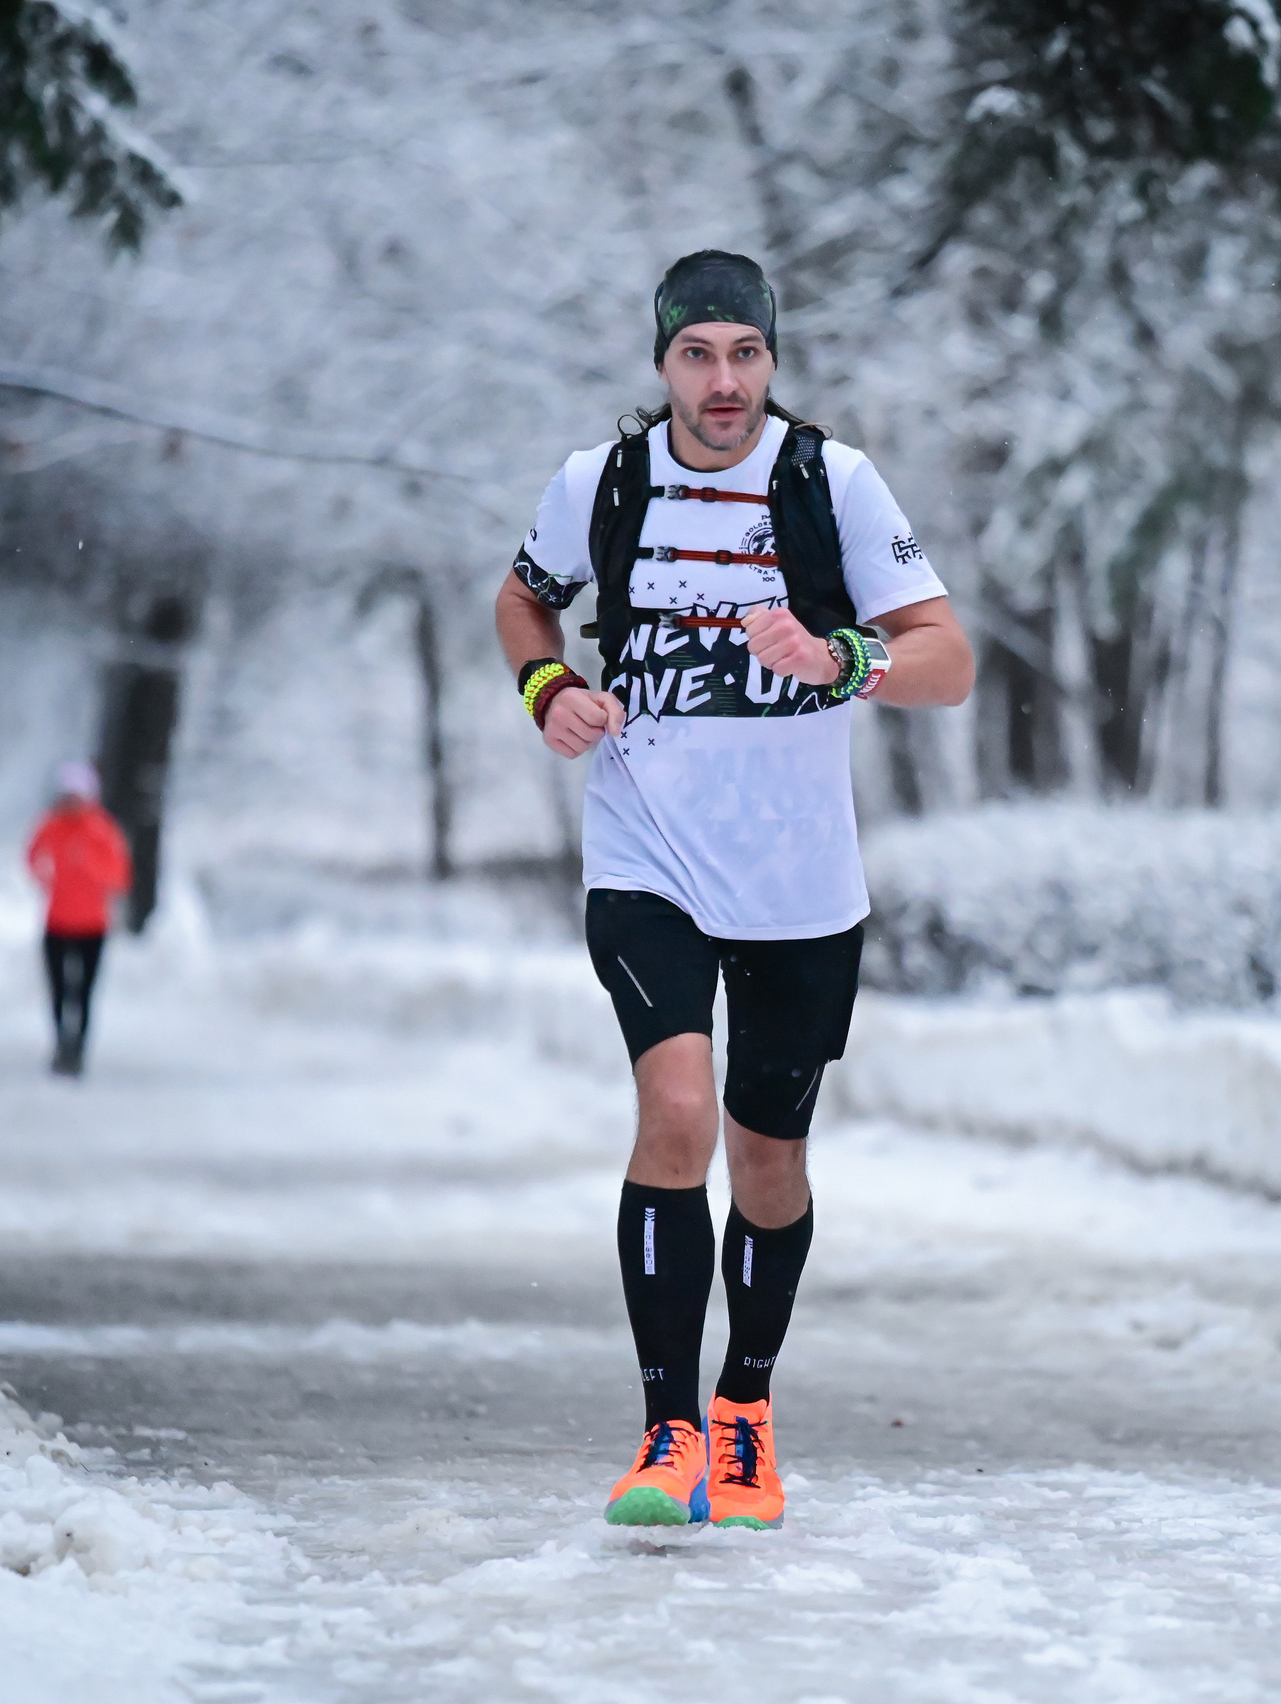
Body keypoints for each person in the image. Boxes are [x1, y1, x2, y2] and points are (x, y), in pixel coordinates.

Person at [493, 250, 974, 1529]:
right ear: (662, 363)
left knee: (768, 1159)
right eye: (698, 355)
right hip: (646, 855)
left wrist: (840, 655)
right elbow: (523, 604)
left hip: (801, 883)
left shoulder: (834, 485)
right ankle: (667, 1432)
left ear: (771, 359)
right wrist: (548, 692)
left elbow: (950, 661)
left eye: (745, 355)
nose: (723, 382)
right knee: (676, 1114)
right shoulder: (602, 483)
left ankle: (744, 1411)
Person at [24, 761, 133, 1078]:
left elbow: (120, 875)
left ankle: (79, 1050)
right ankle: (60, 1043)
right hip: (57, 922)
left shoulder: (102, 829)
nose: (71, 803)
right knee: (58, 989)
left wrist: (89, 867)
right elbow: (31, 856)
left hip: (92, 926)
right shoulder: (51, 825)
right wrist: (45, 878)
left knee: (84, 991)